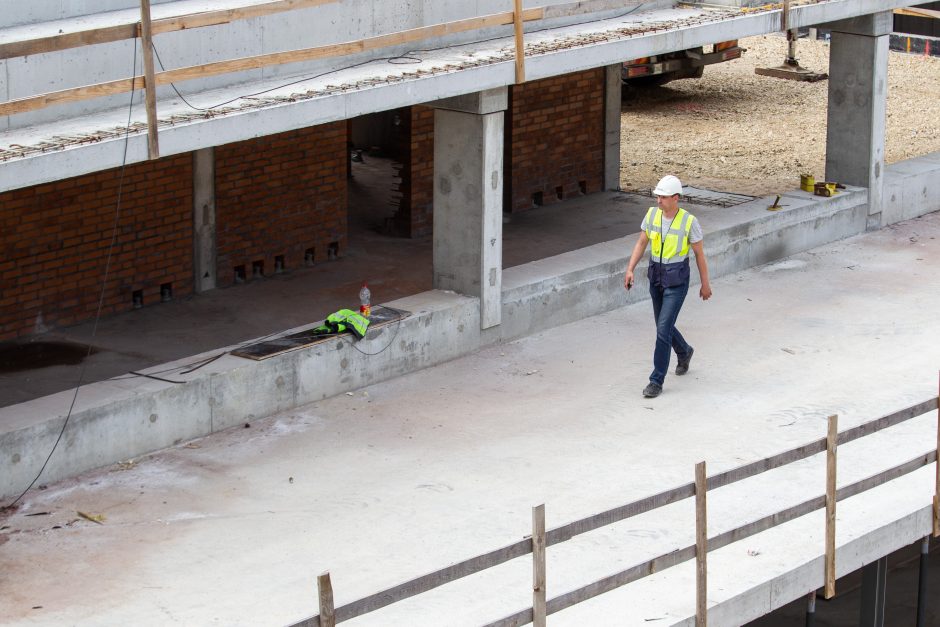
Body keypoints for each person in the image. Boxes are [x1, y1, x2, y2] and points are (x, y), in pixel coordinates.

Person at [623, 175, 712, 398]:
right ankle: (684, 351)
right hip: (656, 280)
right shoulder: (652, 215)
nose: (658, 201)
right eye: (657, 196)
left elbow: (700, 255)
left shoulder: (689, 222)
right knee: (664, 326)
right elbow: (642, 242)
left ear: (675, 198)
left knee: (663, 329)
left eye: (662, 197)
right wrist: (630, 269)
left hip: (677, 283)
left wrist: (705, 284)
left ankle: (656, 381)